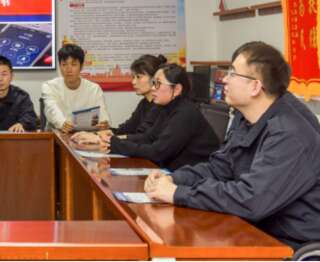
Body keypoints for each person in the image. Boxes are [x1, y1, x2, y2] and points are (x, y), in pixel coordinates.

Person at [145, 42, 320, 250]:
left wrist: (178, 194)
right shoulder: (245, 117)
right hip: (252, 229)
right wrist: (173, 179)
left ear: (255, 87)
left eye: (232, 73)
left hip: (290, 245)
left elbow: (252, 200)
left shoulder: (290, 133)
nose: (224, 79)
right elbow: (219, 168)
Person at [104, 63, 219, 170]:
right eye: (153, 83)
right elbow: (149, 138)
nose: (153, 88)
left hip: (196, 177)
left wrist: (116, 144)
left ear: (177, 89)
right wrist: (113, 140)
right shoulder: (166, 107)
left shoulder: (186, 113)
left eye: (157, 84)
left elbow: (158, 152)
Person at [72, 54, 166, 145]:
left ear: (154, 78)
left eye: (138, 77)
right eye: (133, 77)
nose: (133, 82)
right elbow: (125, 129)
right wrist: (98, 133)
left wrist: (103, 138)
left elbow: (144, 138)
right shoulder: (144, 103)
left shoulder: (160, 106)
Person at [41, 44, 110, 133]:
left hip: (86, 136)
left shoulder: (94, 89)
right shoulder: (49, 86)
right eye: (64, 64)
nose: (69, 69)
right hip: (57, 135)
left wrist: (104, 124)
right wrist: (62, 123)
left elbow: (102, 116)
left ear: (81, 66)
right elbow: (52, 110)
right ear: (60, 66)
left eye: (74, 64)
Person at [0, 56, 37, 132]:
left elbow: (31, 118)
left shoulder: (21, 97)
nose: (0, 79)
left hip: (15, 138)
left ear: (12, 76)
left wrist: (22, 124)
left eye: (4, 74)